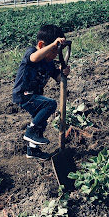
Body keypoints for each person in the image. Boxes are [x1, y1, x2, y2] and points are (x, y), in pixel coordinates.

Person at [12, 24, 70, 161]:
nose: (55, 55)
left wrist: (63, 72)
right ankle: (30, 131)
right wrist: (53, 45)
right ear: (41, 45)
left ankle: (32, 150)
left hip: (34, 96)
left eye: (57, 52)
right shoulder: (32, 52)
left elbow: (56, 77)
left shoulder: (49, 63)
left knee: (41, 122)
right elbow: (34, 58)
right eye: (54, 51)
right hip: (23, 94)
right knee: (50, 104)